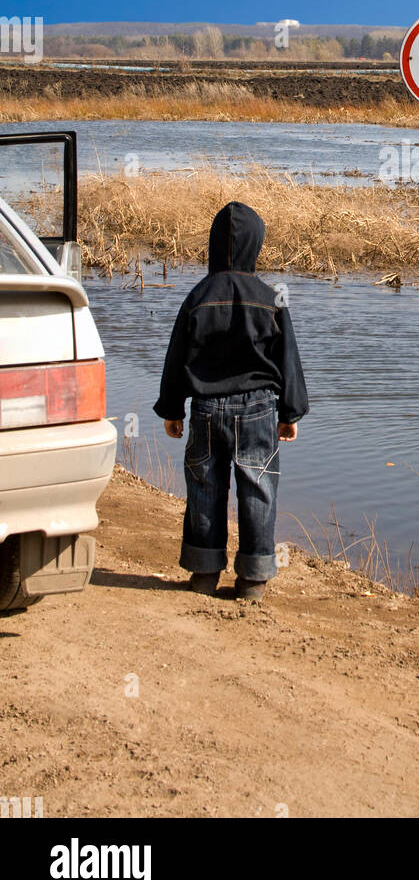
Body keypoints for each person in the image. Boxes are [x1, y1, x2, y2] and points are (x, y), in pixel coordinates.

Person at [153, 201, 308, 601]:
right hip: (257, 409)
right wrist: (290, 412)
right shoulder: (271, 297)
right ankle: (253, 579)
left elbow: (177, 357)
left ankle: (204, 574)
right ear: (256, 244)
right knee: (258, 489)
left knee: (205, 488)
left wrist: (172, 410)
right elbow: (287, 359)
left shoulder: (198, 295)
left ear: (212, 245)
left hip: (205, 410)